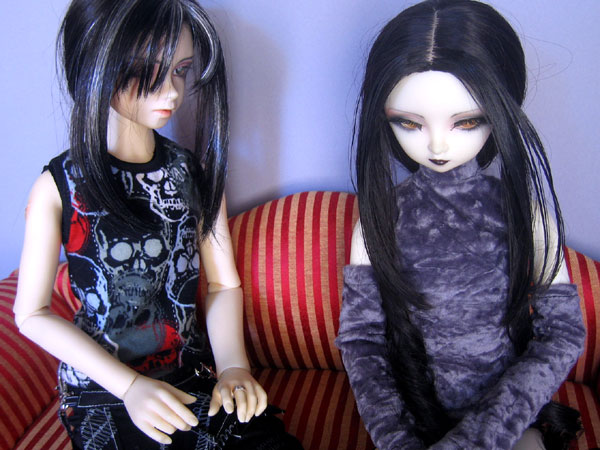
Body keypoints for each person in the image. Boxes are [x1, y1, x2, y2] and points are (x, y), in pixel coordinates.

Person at [13, 0, 302, 448]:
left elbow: (223, 284)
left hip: (188, 375)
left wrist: (233, 367)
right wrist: (128, 387)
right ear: (94, 68)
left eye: (181, 71)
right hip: (104, 387)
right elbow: (31, 313)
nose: (172, 93)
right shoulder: (60, 186)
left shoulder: (190, 174)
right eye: (147, 72)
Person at [335, 1, 586, 449]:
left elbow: (562, 333)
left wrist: (482, 437)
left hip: (509, 427)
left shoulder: (524, 213)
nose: (437, 145)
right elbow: (362, 343)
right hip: (416, 421)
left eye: (467, 121)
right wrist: (397, 440)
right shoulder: (380, 219)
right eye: (408, 123)